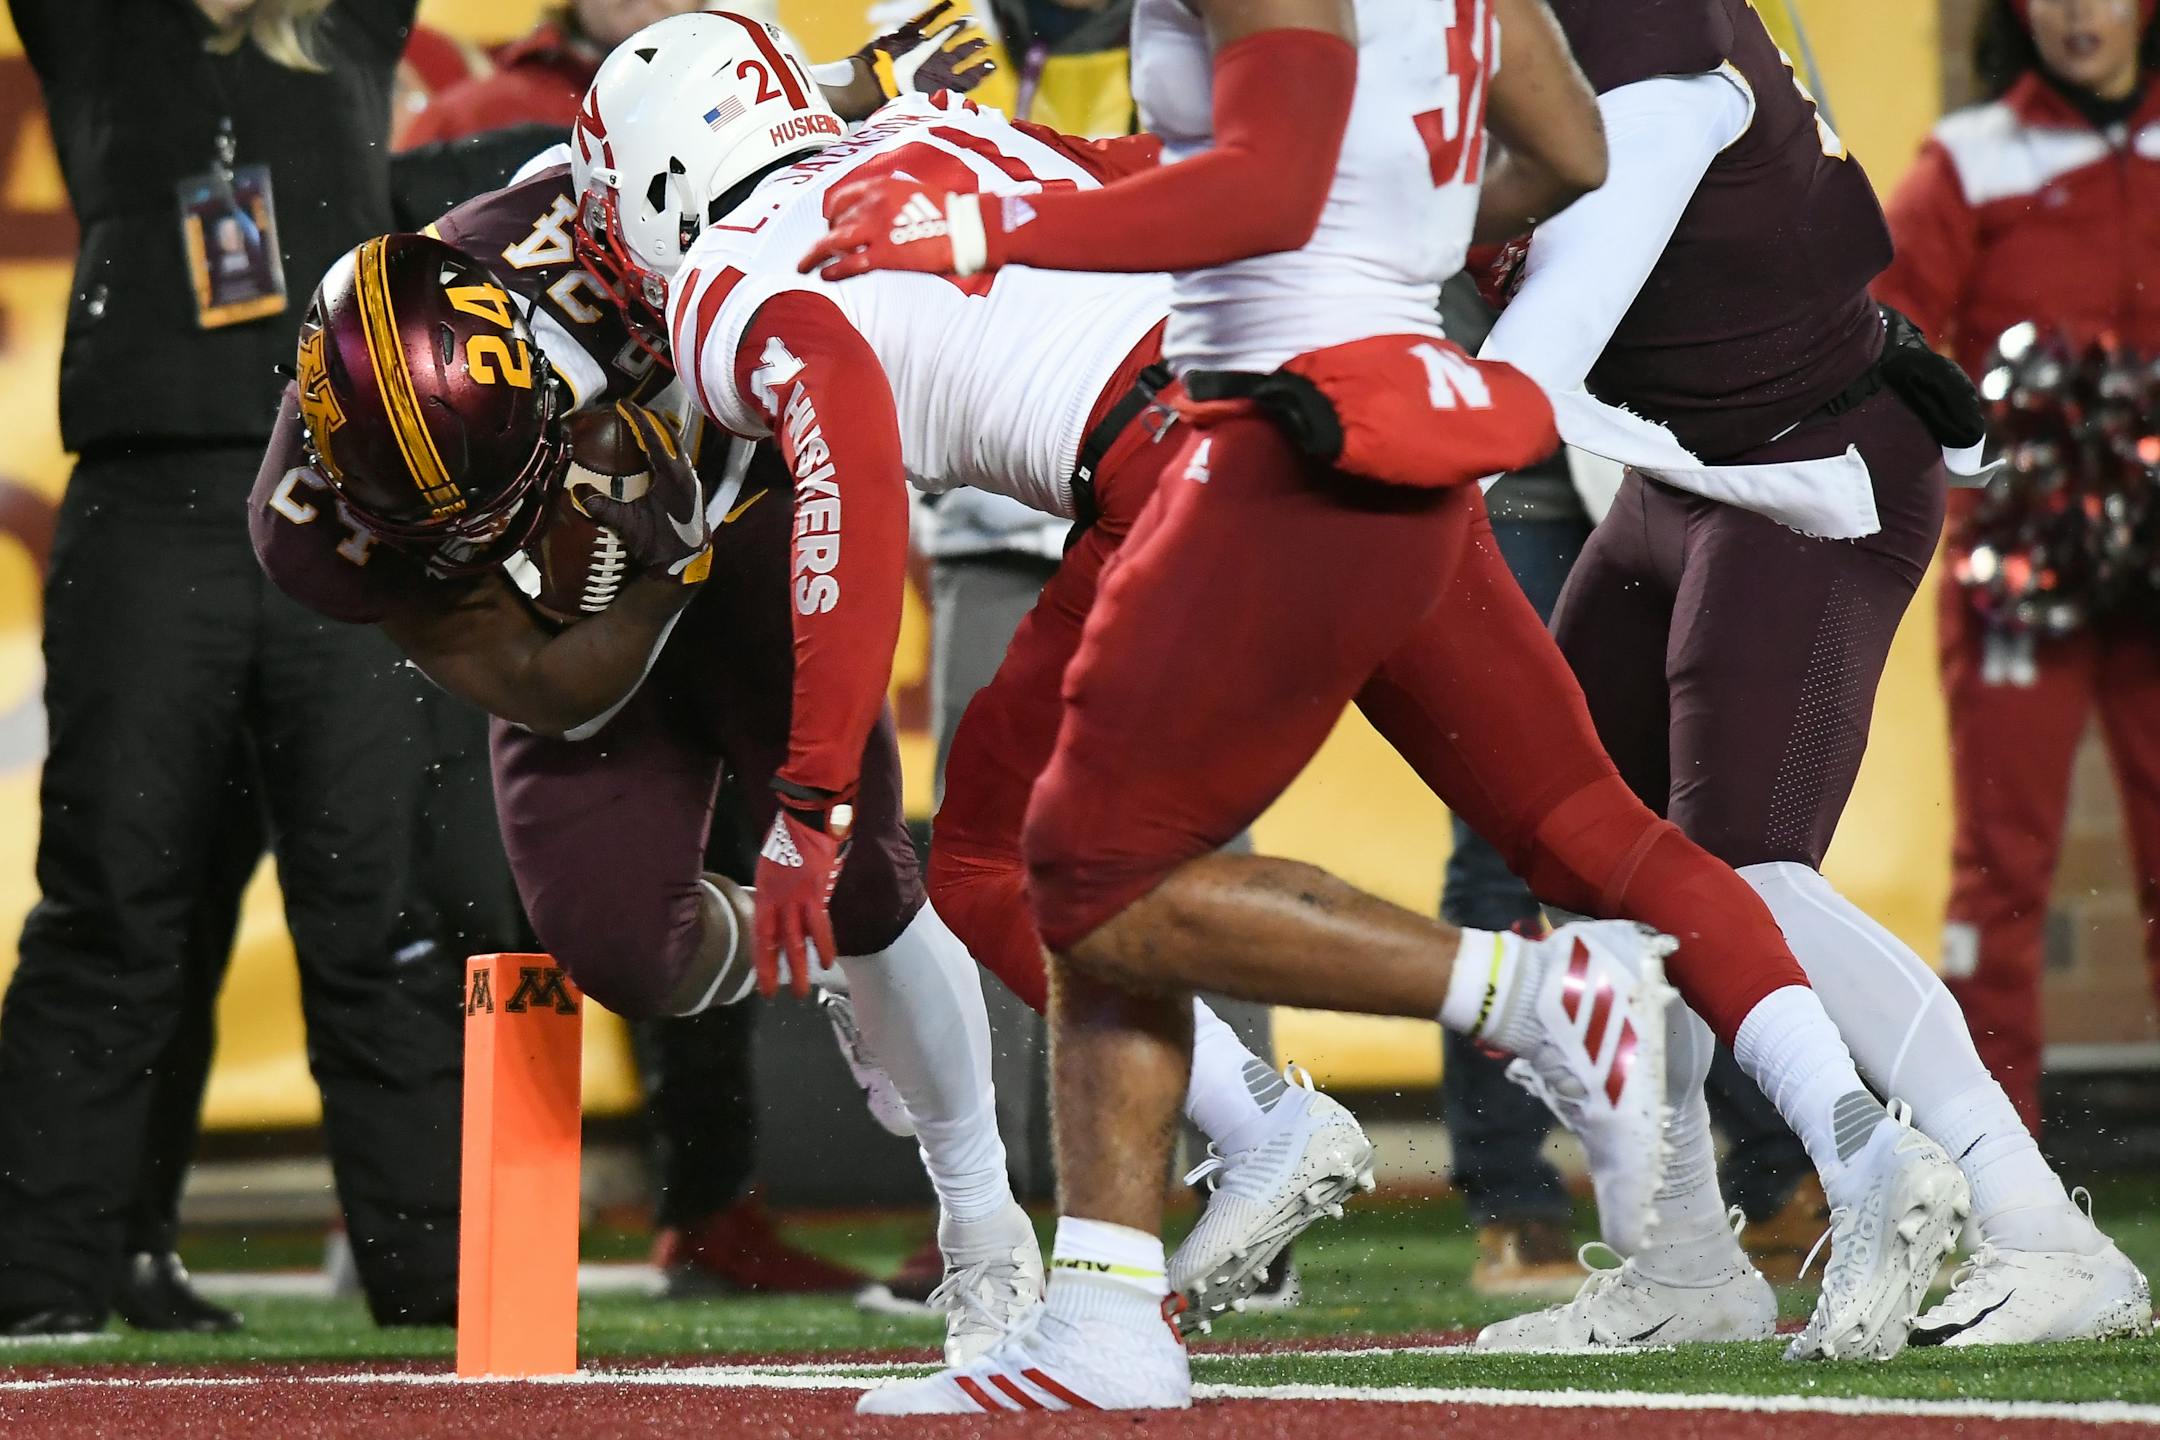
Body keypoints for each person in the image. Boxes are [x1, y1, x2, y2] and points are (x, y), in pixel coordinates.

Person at [647, 0, 1959, 1406]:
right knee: (1583, 825)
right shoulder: (947, 127)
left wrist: (807, 798)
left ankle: (1502, 1015)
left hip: (1235, 444)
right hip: (1389, 402)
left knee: (1064, 869)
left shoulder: (763, 248)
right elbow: (1561, 151)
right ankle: (1866, 1145)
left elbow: (1229, 189)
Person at [573, 14, 1378, 1340]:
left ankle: (1278, 1132)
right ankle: (1725, 1115)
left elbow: (844, 470)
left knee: (1037, 860)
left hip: (1179, 465)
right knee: (1571, 815)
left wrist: (815, 799)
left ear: (660, 178)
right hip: (1318, 386)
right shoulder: (917, 125)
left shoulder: (729, 274)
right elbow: (1145, 173)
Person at [1467, 0, 2147, 1353]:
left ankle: (2044, 1227)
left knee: (1747, 864)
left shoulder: (1650, 60)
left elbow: (1514, 389)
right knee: (1573, 844)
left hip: (1811, 473)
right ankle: (1683, 1256)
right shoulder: (1501, 32)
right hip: (1681, 467)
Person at [0, 0, 466, 1335]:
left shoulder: (349, 27)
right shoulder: (98, 29)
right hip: (150, 515)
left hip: (341, 507)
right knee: (110, 910)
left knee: (380, 917)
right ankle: (41, 1288)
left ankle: (442, 1300)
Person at [1876, 0, 2160, 1138]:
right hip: (2018, 573)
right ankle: (1999, 1165)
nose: (2076, 11)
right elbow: (1887, 325)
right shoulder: (1972, 157)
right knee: (2001, 866)